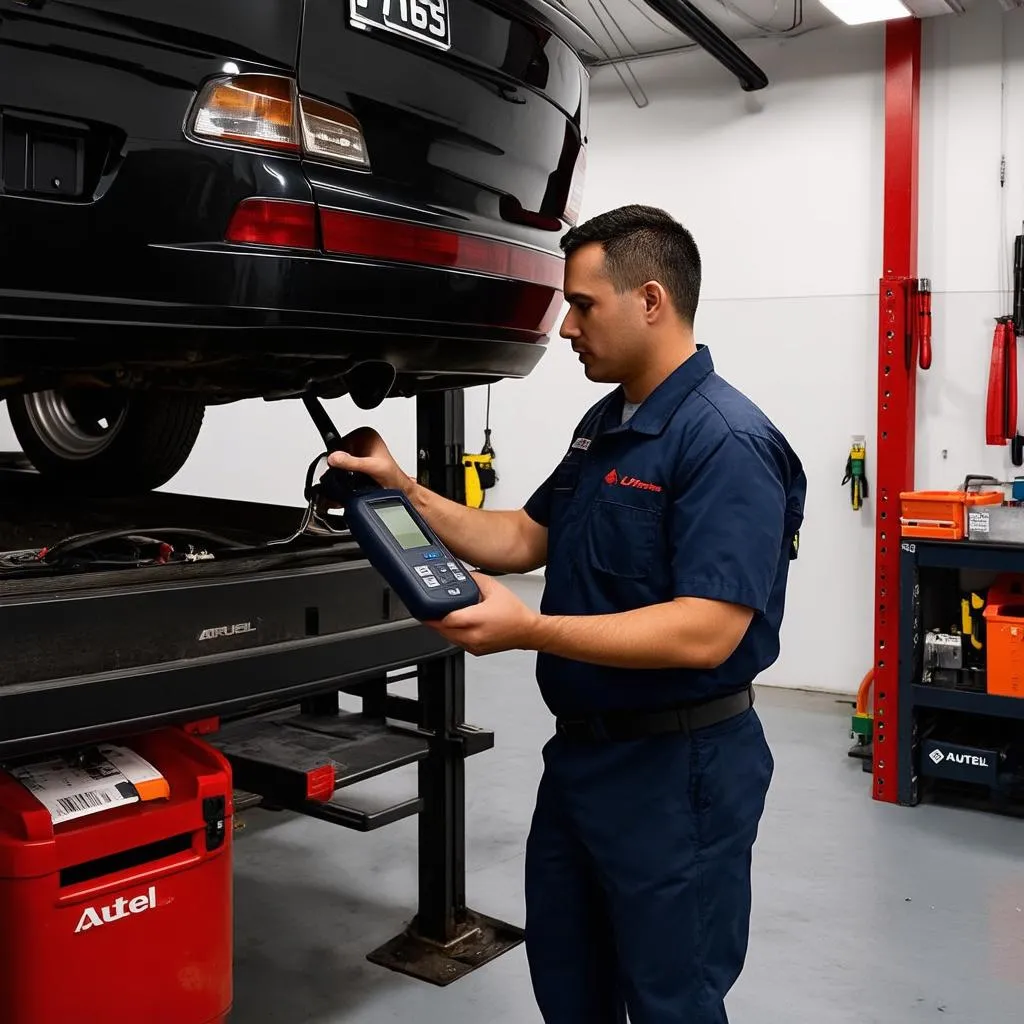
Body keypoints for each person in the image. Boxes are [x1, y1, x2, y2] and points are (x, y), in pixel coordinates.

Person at [327, 204, 806, 1024]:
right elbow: (521, 535)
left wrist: (529, 631)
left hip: (679, 771)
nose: (567, 326)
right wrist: (402, 489)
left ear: (650, 299)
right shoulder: (605, 426)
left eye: (583, 305)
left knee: (671, 1000)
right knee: (569, 978)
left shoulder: (724, 440)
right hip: (582, 762)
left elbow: (709, 628)